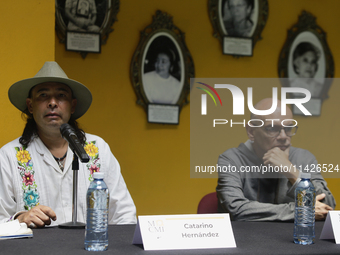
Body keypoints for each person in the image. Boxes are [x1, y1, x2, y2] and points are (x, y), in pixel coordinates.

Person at [0, 61, 136, 227]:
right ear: (30, 105)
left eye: (61, 96)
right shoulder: (9, 156)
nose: (52, 103)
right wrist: (20, 219)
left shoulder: (98, 148)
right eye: (43, 95)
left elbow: (124, 213)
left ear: (72, 106)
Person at [216, 98, 335, 221]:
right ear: (251, 131)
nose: (283, 136)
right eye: (272, 128)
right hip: (246, 238)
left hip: (292, 238)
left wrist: (292, 173)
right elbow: (235, 209)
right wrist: (300, 210)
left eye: (288, 128)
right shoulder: (231, 159)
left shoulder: (304, 157)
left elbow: (327, 206)